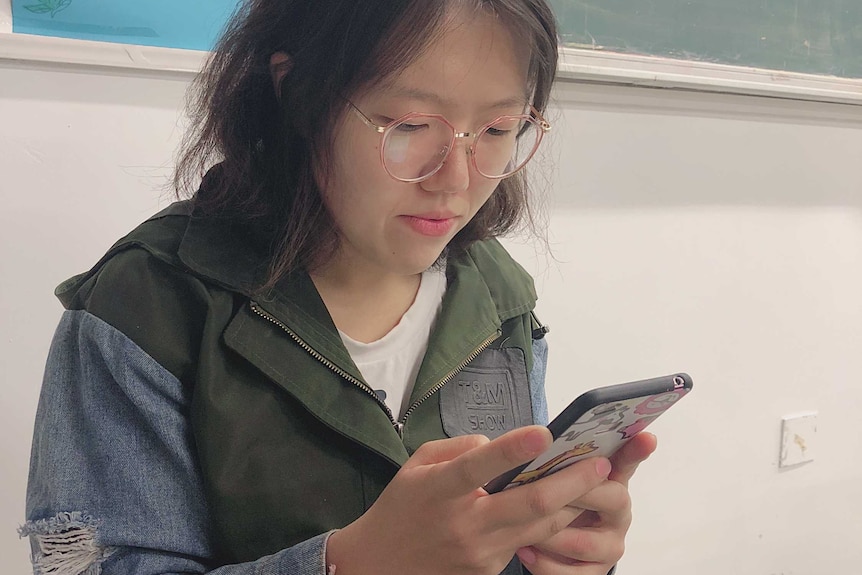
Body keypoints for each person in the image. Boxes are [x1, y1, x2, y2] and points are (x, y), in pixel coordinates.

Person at [21, 1, 657, 574]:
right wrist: (349, 565)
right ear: (297, 93)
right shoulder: (147, 306)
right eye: (409, 126)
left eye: (497, 130)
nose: (455, 180)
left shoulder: (495, 293)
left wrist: (564, 549)